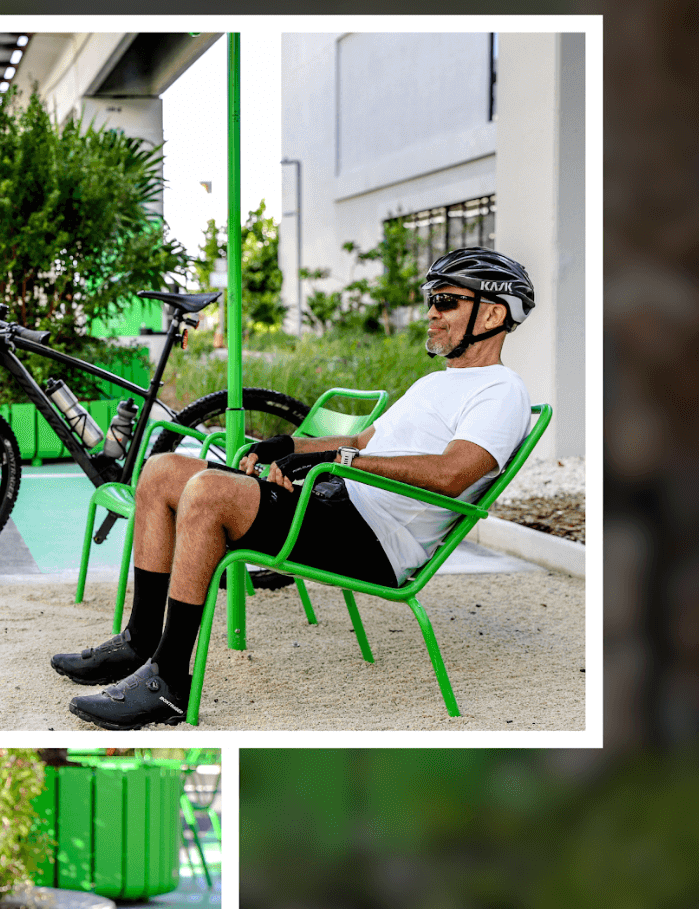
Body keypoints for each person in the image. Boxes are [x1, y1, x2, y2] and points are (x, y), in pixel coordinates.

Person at [55, 247, 538, 729]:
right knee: (162, 471)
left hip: (371, 537)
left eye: (448, 301)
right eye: (432, 299)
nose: (432, 311)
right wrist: (287, 444)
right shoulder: (437, 383)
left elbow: (454, 472)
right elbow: (358, 440)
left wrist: (338, 461)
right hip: (335, 504)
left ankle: (167, 682)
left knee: (207, 492)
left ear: (494, 313)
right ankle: (140, 641)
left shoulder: (500, 390)